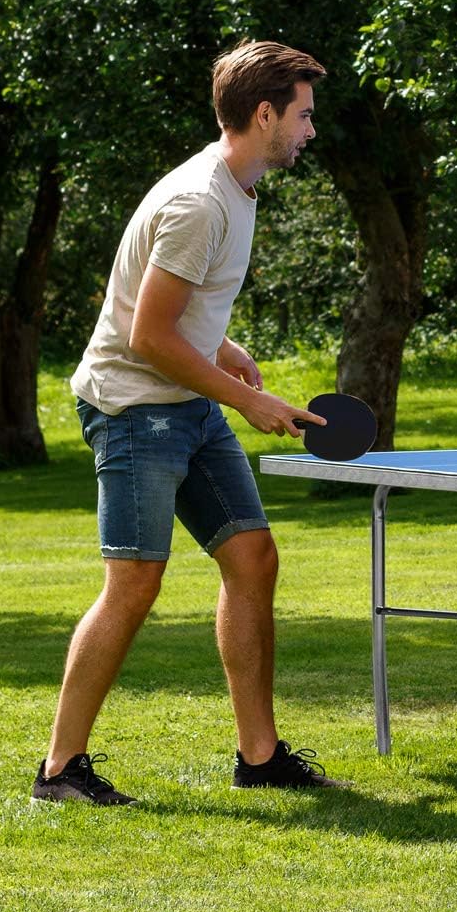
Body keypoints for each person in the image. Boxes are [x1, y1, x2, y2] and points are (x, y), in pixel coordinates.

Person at [33, 40, 346, 805]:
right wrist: (249, 400)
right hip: (135, 410)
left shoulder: (238, 188)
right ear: (264, 114)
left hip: (185, 403)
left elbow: (170, 309)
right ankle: (59, 771)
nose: (311, 129)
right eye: (303, 115)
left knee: (253, 559)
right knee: (134, 584)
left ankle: (260, 756)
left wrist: (224, 347)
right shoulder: (199, 201)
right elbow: (147, 336)